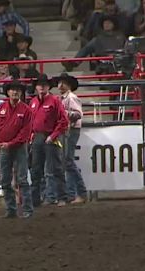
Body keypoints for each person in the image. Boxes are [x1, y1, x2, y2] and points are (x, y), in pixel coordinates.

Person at [0, 80, 33, 219]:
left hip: (19, 147)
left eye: (17, 90)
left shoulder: (26, 110)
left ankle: (27, 209)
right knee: (5, 180)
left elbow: (25, 132)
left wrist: (9, 143)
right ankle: (11, 209)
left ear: (21, 93)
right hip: (4, 147)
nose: (15, 92)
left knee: (22, 179)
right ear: (8, 92)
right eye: (12, 90)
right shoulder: (1, 107)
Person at [29, 74, 69, 207]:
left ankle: (61, 197)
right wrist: (31, 134)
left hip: (50, 137)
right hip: (37, 137)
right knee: (36, 170)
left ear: (48, 87)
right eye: (40, 85)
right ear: (36, 87)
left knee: (54, 168)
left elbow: (63, 121)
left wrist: (53, 136)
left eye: (44, 85)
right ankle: (36, 199)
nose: (42, 87)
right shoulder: (33, 102)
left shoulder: (54, 101)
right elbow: (30, 121)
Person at [54, 73, 87, 204]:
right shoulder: (63, 98)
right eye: (59, 83)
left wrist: (63, 113)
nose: (60, 85)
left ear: (69, 86)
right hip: (68, 129)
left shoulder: (71, 98)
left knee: (68, 161)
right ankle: (73, 193)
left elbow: (78, 114)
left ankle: (81, 192)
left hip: (72, 130)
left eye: (64, 83)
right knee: (67, 161)